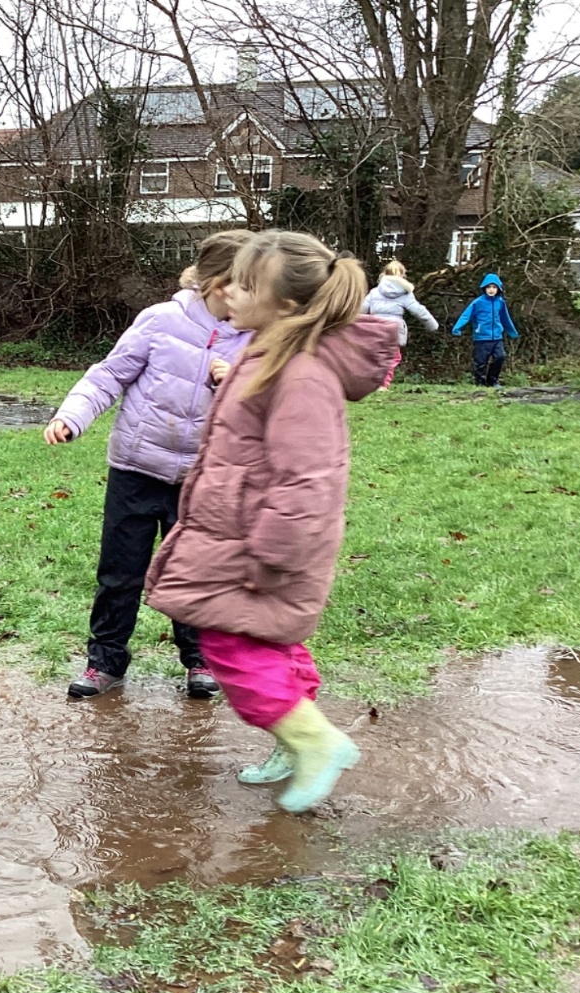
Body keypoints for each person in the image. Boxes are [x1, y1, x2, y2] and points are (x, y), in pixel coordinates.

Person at [145, 231, 396, 814]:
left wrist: (272, 556)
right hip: (244, 537)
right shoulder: (271, 353)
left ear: (283, 303)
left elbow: (308, 478)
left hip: (261, 548)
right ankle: (293, 743)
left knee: (230, 642)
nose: (228, 289)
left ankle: (314, 741)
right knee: (269, 640)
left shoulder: (300, 374)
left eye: (244, 283)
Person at [44, 229, 252, 701]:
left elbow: (267, 406)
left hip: (201, 480)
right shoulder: (160, 320)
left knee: (195, 573)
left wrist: (238, 382)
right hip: (135, 470)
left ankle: (200, 660)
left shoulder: (256, 340)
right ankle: (105, 661)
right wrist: (71, 416)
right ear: (220, 283)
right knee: (120, 573)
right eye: (252, 283)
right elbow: (108, 376)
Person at [361, 260, 439, 388]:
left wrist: (348, 321)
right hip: (394, 329)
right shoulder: (405, 293)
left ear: (384, 274)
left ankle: (372, 382)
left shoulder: (375, 292)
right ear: (402, 275)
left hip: (376, 327)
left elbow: (361, 309)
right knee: (392, 357)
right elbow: (418, 310)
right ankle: (383, 384)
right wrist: (432, 324)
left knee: (376, 355)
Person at [451, 272, 519, 387]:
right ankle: (480, 383)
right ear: (484, 288)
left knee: (500, 357)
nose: (491, 290)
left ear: (498, 289)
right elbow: (466, 316)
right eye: (488, 287)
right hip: (481, 338)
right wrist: (457, 328)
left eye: (494, 287)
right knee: (481, 362)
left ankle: (493, 381)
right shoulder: (478, 302)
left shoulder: (500, 302)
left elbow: (505, 318)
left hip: (497, 337)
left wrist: (512, 332)